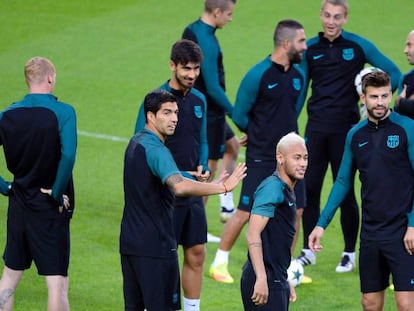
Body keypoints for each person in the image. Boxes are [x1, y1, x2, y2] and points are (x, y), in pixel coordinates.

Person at [297, 0, 401, 273]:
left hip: (346, 130)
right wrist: (292, 127)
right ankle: (308, 251)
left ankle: (348, 252)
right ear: (321, 16)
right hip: (316, 129)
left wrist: (378, 106)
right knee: (309, 189)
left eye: (337, 17)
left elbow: (394, 72)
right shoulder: (310, 49)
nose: (331, 21)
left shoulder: (357, 46)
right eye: (328, 16)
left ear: (345, 19)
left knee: (344, 192)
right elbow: (300, 91)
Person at [120, 89, 246, 311]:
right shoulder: (158, 150)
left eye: (176, 113)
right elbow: (178, 186)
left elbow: (159, 174)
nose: (174, 119)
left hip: (131, 244)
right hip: (156, 247)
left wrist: (191, 175)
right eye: (167, 113)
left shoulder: (136, 142)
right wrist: (222, 187)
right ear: (150, 116)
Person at [209, 19, 308, 284]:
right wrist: (257, 135)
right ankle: (220, 262)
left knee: (296, 210)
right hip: (262, 156)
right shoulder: (258, 75)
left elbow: (292, 111)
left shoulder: (298, 77)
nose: (305, 46)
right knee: (245, 211)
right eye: (301, 41)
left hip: (290, 158)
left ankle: (284, 269)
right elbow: (240, 114)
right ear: (286, 43)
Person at [308, 71, 414, 311]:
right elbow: (343, 182)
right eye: (374, 97)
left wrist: (413, 224)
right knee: (369, 303)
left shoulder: (407, 129)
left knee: (407, 304)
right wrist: (321, 225)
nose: (380, 102)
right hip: (371, 232)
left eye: (385, 96)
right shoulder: (355, 135)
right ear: (362, 97)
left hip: (403, 232)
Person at [134, 39, 210, 311]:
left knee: (197, 253)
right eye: (186, 68)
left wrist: (204, 166)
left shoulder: (200, 99)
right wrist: (177, 173)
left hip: (190, 191)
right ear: (172, 66)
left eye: (196, 69)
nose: (191, 75)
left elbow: (202, 140)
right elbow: (140, 144)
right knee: (162, 258)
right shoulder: (156, 101)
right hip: (164, 193)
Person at [0, 57, 77, 311]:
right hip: (48, 207)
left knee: (9, 277)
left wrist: (5, 186)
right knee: (57, 283)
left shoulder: (7, 114)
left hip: (19, 201)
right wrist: (56, 193)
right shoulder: (63, 112)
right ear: (50, 78)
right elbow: (67, 155)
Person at [182, 0, 240, 222]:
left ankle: (226, 205)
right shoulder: (206, 40)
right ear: (217, 12)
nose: (230, 18)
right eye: (229, 14)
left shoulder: (193, 29)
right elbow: (213, 88)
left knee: (232, 147)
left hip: (203, 109)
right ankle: (197, 224)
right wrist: (238, 117)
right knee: (207, 173)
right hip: (209, 114)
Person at [241, 132, 308, 311]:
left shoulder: (285, 188)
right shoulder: (272, 189)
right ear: (280, 158)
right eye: (297, 158)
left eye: (305, 158)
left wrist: (283, 278)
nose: (303, 163)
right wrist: (262, 278)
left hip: (274, 276)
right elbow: (252, 233)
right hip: (264, 278)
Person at [395, 29, 414, 119]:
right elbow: (397, 113)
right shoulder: (407, 78)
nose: (405, 51)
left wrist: (402, 102)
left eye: (409, 45)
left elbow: (400, 104)